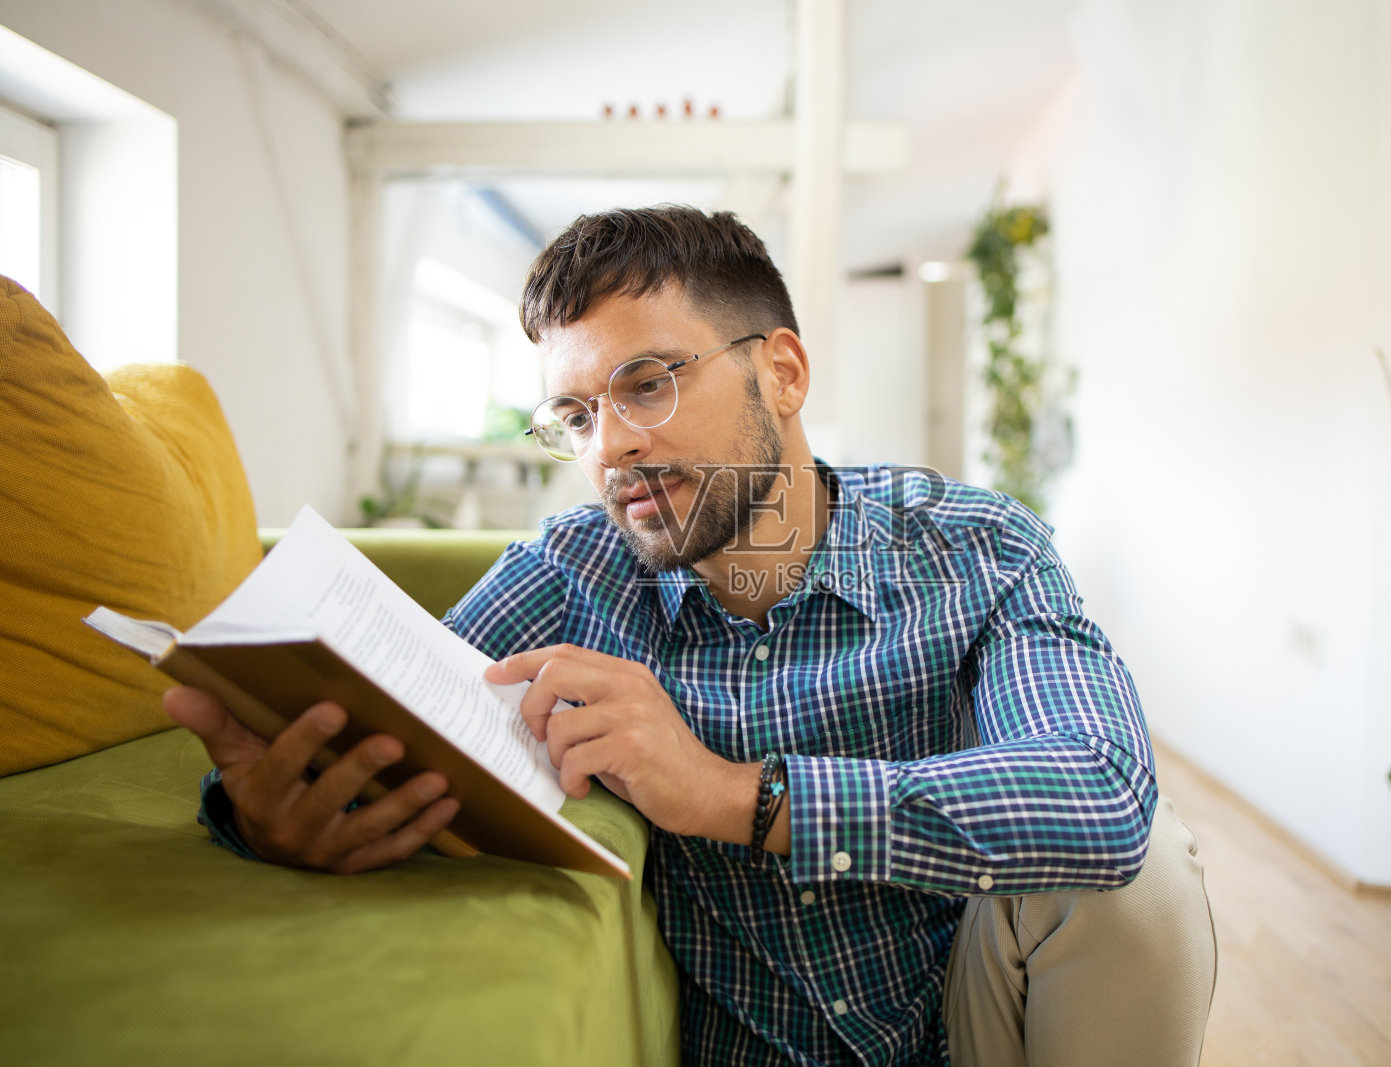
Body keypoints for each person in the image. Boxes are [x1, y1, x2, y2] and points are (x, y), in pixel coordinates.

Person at [165, 206, 1216, 1066]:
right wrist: (264, 814)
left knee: (1144, 880)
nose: (612, 443)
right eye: (575, 415)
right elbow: (402, 703)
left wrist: (732, 794)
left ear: (783, 373)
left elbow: (1100, 788)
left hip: (970, 1030)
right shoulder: (573, 568)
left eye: (647, 383)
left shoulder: (973, 549)